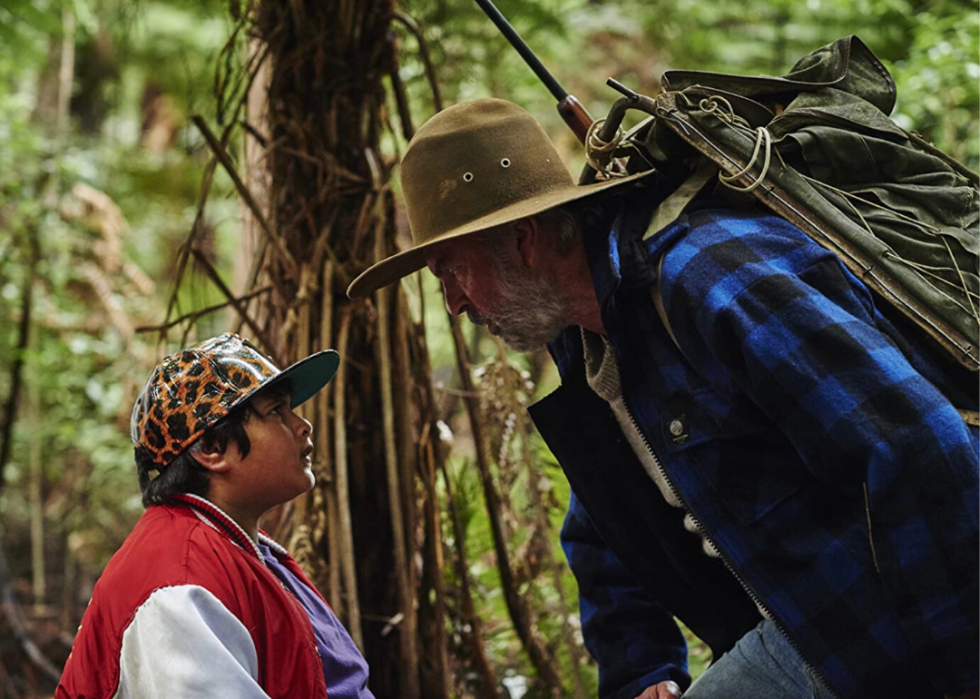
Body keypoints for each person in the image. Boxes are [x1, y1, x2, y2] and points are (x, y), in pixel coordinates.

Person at [346, 97, 979, 699]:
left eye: (453, 271)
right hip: (813, 632)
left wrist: (962, 670)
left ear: (524, 240)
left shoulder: (712, 278)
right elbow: (608, 522)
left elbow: (917, 444)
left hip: (902, 631)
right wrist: (641, 666)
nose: (455, 304)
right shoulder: (586, 342)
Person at [57, 333, 375, 699]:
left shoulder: (242, 549)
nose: (304, 425)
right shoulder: (177, 588)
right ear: (211, 448)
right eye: (276, 411)